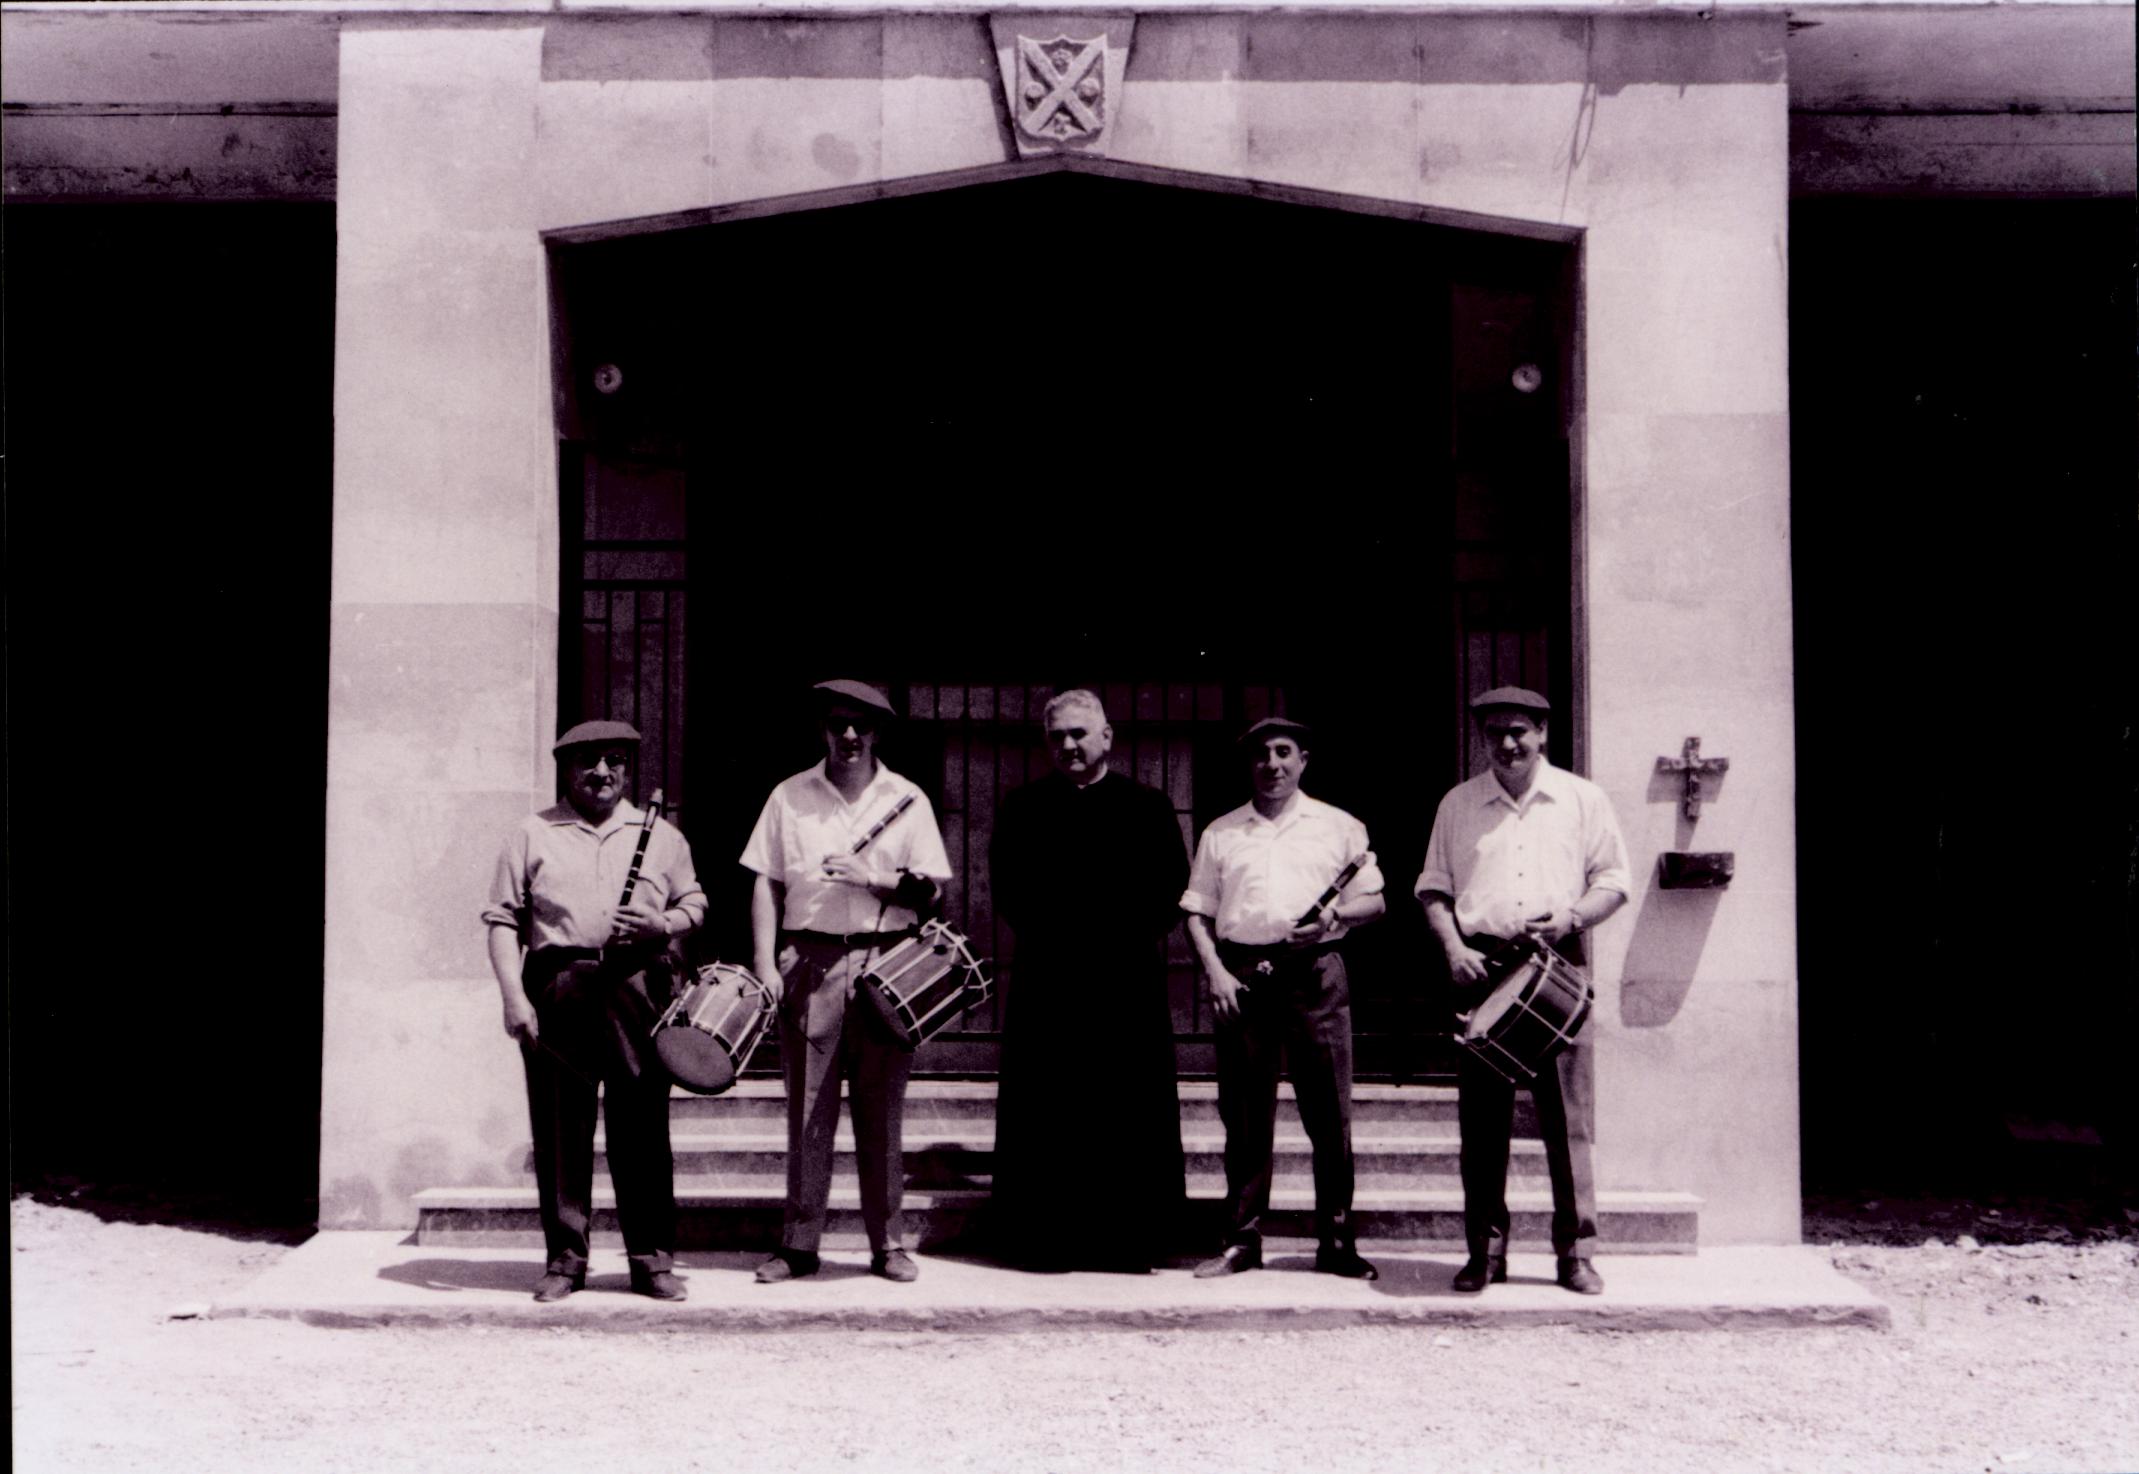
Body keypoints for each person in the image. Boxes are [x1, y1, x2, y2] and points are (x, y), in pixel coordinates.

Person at [1415, 685, 1631, 1295]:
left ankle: (1577, 1253)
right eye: (1494, 733)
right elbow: (1433, 888)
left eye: (1520, 731)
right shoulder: (1457, 804)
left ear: (1543, 735)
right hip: (1482, 969)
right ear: (1482, 738)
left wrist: (1572, 918)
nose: (1507, 744)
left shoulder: (1582, 800)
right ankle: (1485, 1252)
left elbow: (1614, 880)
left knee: (1569, 1121)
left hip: (1556, 964)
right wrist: (1454, 948)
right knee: (1483, 1125)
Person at [480, 719, 704, 1303]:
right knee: (561, 1127)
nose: (601, 772)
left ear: (628, 770)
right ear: (567, 768)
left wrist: (665, 923)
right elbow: (504, 920)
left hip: (638, 982)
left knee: (643, 1125)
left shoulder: (661, 835)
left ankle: (651, 1260)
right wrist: (513, 995)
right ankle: (565, 1259)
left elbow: (696, 902)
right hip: (559, 983)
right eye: (588, 761)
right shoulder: (531, 833)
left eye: (613, 761)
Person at [741, 679, 953, 1285]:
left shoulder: (907, 799)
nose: (850, 737)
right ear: (823, 730)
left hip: (888, 967)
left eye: (862, 726)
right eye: (838, 725)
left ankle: (887, 1244)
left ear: (879, 732)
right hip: (809, 964)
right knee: (808, 1112)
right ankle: (799, 1243)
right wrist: (764, 962)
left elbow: (936, 890)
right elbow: (765, 882)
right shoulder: (790, 796)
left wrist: (875, 877)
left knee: (882, 1112)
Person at [988, 689, 1189, 1272]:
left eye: (1080, 733)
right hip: (1047, 980)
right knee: (1047, 1111)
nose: (1069, 745)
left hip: (1125, 981)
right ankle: (1044, 1241)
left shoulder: (1147, 807)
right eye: (1058, 736)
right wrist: (1062, 939)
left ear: (1107, 738)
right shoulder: (1022, 807)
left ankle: (1128, 1242)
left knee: (1126, 1109)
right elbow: (1010, 891)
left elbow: (1170, 888)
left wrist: (1116, 939)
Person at [1181, 716, 1385, 1280]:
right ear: (1248, 765)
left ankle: (1337, 1242)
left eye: (1283, 753)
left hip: (1316, 974)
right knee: (1245, 1117)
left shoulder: (1339, 826)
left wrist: (1333, 917)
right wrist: (1217, 974)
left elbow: (1377, 904)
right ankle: (1242, 1241)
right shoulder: (1221, 832)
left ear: (1303, 759)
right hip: (1245, 977)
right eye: (1260, 755)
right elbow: (1196, 912)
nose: (1272, 764)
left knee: (1329, 1116)